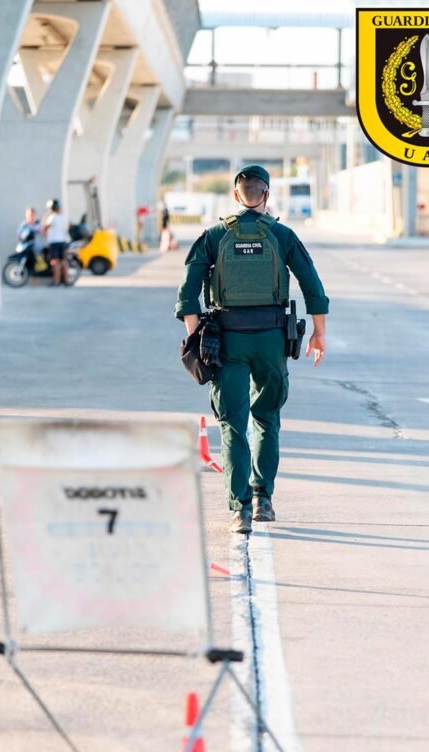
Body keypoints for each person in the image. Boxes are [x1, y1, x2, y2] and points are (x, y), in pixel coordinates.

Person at [174, 164, 329, 534]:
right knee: (267, 418)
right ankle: (264, 500)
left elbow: (186, 295)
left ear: (235, 195)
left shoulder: (214, 236)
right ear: (267, 195)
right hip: (273, 339)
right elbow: (313, 287)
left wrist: (198, 337)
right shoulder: (282, 235)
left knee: (232, 423)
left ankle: (238, 508)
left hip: (227, 339)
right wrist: (318, 334)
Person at [42, 199, 70, 286]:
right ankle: (66, 281)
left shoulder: (52, 217)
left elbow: (45, 228)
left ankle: (56, 282)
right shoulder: (64, 217)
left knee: (55, 262)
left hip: (54, 242)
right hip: (63, 241)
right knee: (64, 262)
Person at [16, 207, 45, 272]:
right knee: (28, 268)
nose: (31, 217)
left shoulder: (38, 223)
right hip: (27, 249)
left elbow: (43, 233)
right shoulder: (23, 225)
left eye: (32, 215)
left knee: (37, 267)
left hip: (37, 249)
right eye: (29, 215)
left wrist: (40, 231)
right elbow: (18, 236)